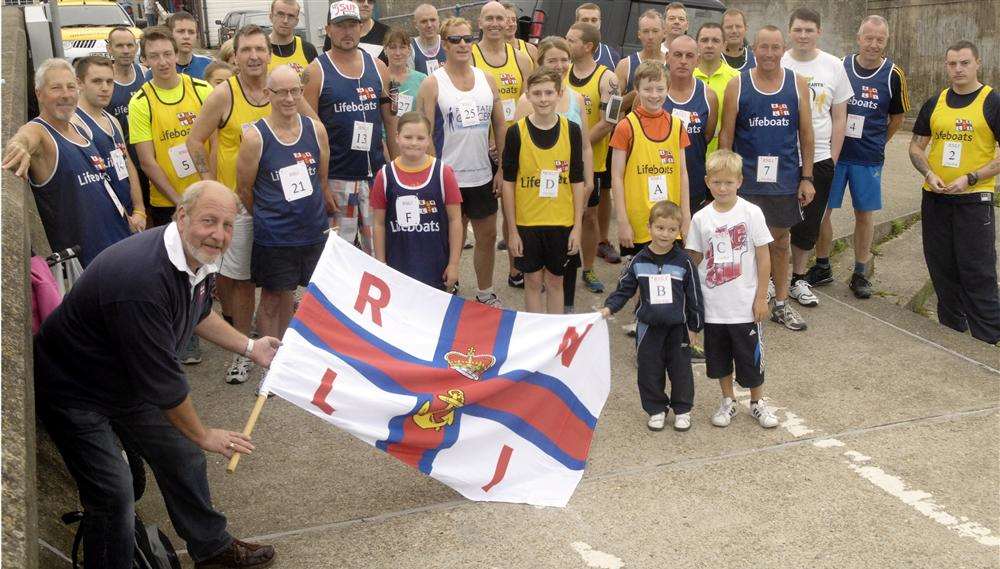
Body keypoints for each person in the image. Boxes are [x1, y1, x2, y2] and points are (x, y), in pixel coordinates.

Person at [32, 181, 279, 569]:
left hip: (127, 381)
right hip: (74, 390)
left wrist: (250, 347)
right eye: (209, 221)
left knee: (182, 457)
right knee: (113, 494)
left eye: (228, 225)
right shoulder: (141, 280)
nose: (219, 235)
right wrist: (203, 434)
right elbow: (165, 385)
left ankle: (212, 550)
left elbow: (196, 314)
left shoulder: (195, 257)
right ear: (181, 217)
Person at [187, 24, 275, 384]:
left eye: (259, 49)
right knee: (237, 282)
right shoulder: (224, 95)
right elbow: (194, 141)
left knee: (273, 279)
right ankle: (243, 350)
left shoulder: (281, 89)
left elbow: (311, 129)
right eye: (246, 50)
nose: (254, 56)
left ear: (269, 54)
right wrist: (209, 184)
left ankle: (273, 346)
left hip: (274, 202)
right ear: (234, 56)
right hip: (237, 205)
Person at [719, 26, 814, 332]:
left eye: (775, 47)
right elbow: (726, 136)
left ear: (783, 49)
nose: (769, 53)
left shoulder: (798, 84)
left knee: (780, 242)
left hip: (783, 179)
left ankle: (782, 304)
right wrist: (723, 178)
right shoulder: (738, 84)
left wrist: (807, 177)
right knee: (739, 244)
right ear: (754, 49)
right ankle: (741, 303)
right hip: (745, 181)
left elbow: (807, 135)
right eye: (764, 47)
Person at [809, 15, 910, 299]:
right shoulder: (841, 66)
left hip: (867, 159)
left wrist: (878, 142)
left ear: (886, 41)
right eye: (869, 38)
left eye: (880, 39)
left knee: (864, 215)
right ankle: (823, 264)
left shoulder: (893, 74)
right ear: (859, 38)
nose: (873, 44)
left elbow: (897, 117)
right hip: (836, 155)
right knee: (823, 212)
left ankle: (860, 272)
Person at [909, 40, 1000, 345]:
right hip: (935, 199)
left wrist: (971, 178)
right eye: (952, 64)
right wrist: (929, 173)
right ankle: (951, 338)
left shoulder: (992, 101)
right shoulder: (935, 102)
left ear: (977, 64)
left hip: (974, 201)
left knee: (978, 272)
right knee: (941, 269)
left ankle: (987, 342)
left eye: (964, 63)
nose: (958, 69)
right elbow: (916, 146)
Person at [2, 58, 133, 269]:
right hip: (90, 267)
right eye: (56, 88)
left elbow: (103, 186)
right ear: (39, 93)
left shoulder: (80, 131)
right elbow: (27, 136)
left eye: (71, 87)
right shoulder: (42, 133)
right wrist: (19, 145)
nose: (65, 95)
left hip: (122, 247)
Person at [416, 16, 507, 307]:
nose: (463, 44)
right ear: (444, 44)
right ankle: (446, 288)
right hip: (448, 176)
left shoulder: (487, 79)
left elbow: (501, 126)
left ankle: (485, 292)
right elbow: (425, 134)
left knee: (487, 236)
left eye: (468, 38)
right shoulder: (433, 83)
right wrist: (433, 176)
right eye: (456, 39)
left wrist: (503, 169)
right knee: (447, 241)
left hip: (482, 175)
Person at [237, 65, 333, 341]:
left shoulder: (316, 130)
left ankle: (299, 353)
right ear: (268, 94)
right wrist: (268, 216)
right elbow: (244, 188)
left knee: (312, 297)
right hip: (275, 237)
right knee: (272, 300)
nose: (289, 99)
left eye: (295, 91)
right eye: (281, 93)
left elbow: (321, 179)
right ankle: (270, 362)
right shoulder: (255, 137)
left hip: (313, 230)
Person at [685, 150, 779, 429]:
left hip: (745, 305)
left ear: (740, 181)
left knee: (751, 359)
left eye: (728, 182)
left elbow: (764, 257)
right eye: (716, 182)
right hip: (714, 307)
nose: (722, 188)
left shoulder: (752, 213)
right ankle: (728, 400)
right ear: (707, 181)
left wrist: (761, 297)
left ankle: (757, 402)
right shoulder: (701, 218)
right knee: (719, 360)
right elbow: (694, 259)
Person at [305, 0, 397, 257]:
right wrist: (321, 185)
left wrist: (397, 173)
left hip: (375, 177)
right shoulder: (316, 71)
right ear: (328, 29)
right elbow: (310, 135)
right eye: (340, 26)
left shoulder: (379, 68)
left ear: (361, 28)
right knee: (339, 256)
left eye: (352, 25)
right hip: (337, 179)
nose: (347, 32)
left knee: (379, 254)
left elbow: (390, 123)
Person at [601, 201, 703, 432]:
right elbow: (624, 289)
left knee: (681, 371)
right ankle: (656, 409)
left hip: (678, 328)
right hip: (648, 328)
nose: (665, 234)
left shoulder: (684, 261)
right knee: (649, 370)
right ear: (649, 227)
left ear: (679, 231)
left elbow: (694, 294)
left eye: (671, 229)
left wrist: (694, 326)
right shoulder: (638, 261)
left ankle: (682, 410)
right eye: (660, 228)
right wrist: (609, 308)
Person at [779, 7, 853, 311]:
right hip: (784, 156)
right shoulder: (780, 61)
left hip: (820, 157)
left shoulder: (833, 66)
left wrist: (833, 158)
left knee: (809, 223)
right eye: (798, 29)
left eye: (809, 30)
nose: (803, 35)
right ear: (790, 31)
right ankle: (775, 278)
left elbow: (840, 117)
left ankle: (799, 278)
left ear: (818, 32)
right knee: (778, 221)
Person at [503, 67, 587, 314]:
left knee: (555, 281)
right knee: (532, 281)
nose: (543, 98)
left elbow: (577, 180)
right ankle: (535, 340)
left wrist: (577, 227)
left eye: (549, 92)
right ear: (527, 95)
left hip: (561, 221)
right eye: (537, 93)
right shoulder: (516, 132)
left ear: (560, 94)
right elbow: (508, 183)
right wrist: (512, 231)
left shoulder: (571, 130)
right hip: (528, 222)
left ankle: (555, 340)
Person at [129, 26, 213, 229]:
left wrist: (210, 185)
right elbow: (147, 162)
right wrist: (179, 202)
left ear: (176, 55)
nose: (163, 62)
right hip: (168, 203)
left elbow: (217, 141)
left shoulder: (202, 90)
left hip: (208, 192)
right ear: (146, 61)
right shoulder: (140, 102)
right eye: (154, 56)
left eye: (167, 54)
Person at [372, 112, 463, 290]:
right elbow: (379, 223)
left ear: (429, 140)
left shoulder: (443, 173)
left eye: (420, 138)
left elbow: (455, 220)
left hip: (436, 267)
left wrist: (453, 264)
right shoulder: (384, 175)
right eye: (408, 137)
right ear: (397, 137)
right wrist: (380, 262)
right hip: (397, 267)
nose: (414, 142)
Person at [610, 60, 691, 258]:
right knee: (637, 283)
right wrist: (622, 221)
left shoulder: (677, 125)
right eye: (647, 89)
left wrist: (687, 218)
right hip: (638, 222)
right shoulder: (626, 126)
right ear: (637, 89)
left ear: (668, 89)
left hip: (670, 224)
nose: (654, 95)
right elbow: (617, 177)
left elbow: (682, 173)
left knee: (670, 279)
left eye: (660, 89)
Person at [567, 23, 619, 298]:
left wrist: (577, 144)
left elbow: (609, 121)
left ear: (588, 46)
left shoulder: (607, 77)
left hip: (590, 162)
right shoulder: (561, 71)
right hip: (557, 161)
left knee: (588, 217)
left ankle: (587, 268)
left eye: (572, 40)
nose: (567, 43)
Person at [72, 56, 146, 234]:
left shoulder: (112, 120)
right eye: (97, 81)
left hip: (130, 217)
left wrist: (139, 210)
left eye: (109, 81)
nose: (105, 88)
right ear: (79, 83)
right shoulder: (73, 123)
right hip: (104, 222)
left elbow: (127, 164)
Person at [663, 35, 718, 214]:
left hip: (694, 183)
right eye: (678, 55)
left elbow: (706, 137)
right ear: (667, 58)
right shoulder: (651, 94)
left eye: (689, 56)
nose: (683, 61)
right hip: (658, 181)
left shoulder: (708, 96)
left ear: (698, 60)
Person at [106, 26, 151, 210]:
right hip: (121, 162)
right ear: (109, 48)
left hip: (148, 158)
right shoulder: (104, 80)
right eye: (119, 46)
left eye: (130, 45)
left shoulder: (145, 74)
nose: (125, 50)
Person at [472, 1, 532, 128]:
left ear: (506, 22)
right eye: (489, 18)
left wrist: (511, 136)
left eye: (499, 18)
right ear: (480, 23)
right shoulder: (469, 59)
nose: (495, 23)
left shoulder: (522, 59)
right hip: (482, 138)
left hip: (513, 136)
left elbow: (526, 104)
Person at [694, 22, 740, 155]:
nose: (709, 45)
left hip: (723, 157)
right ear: (697, 44)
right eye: (704, 40)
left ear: (724, 45)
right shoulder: (686, 76)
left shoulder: (737, 79)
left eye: (715, 40)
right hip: (689, 156)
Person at [615, 10, 666, 94]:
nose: (650, 36)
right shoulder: (626, 65)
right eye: (646, 31)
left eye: (655, 31)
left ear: (664, 33)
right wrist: (637, 93)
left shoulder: (672, 65)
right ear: (639, 34)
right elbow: (613, 105)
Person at [323, 0, 390, 62]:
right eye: (360, 0)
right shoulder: (335, 36)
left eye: (370, 1)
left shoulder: (387, 33)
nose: (366, 4)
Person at [267, 0, 318, 78]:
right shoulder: (259, 49)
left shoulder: (308, 49)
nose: (285, 21)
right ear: (271, 17)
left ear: (296, 21)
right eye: (281, 14)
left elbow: (315, 83)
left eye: (290, 16)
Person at [384, 27, 426, 118]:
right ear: (385, 50)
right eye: (392, 47)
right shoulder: (378, 78)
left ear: (409, 50)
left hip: (413, 131)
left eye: (402, 47)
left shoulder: (422, 79)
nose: (398, 53)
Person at [165, 11, 214, 79]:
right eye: (181, 31)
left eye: (191, 32)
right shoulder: (158, 70)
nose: (186, 36)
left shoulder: (209, 65)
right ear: (170, 34)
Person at [574, 3, 620, 72]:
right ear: (576, 23)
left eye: (594, 20)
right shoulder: (565, 52)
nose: (590, 24)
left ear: (600, 23)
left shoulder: (612, 56)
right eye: (585, 20)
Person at [411, 3, 446, 75]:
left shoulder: (448, 43)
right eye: (424, 21)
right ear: (415, 24)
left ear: (439, 21)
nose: (429, 25)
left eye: (433, 20)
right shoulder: (411, 49)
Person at [502, 2, 537, 66]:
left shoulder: (530, 50)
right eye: (507, 20)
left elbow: (539, 75)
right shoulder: (490, 52)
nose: (511, 24)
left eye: (513, 20)